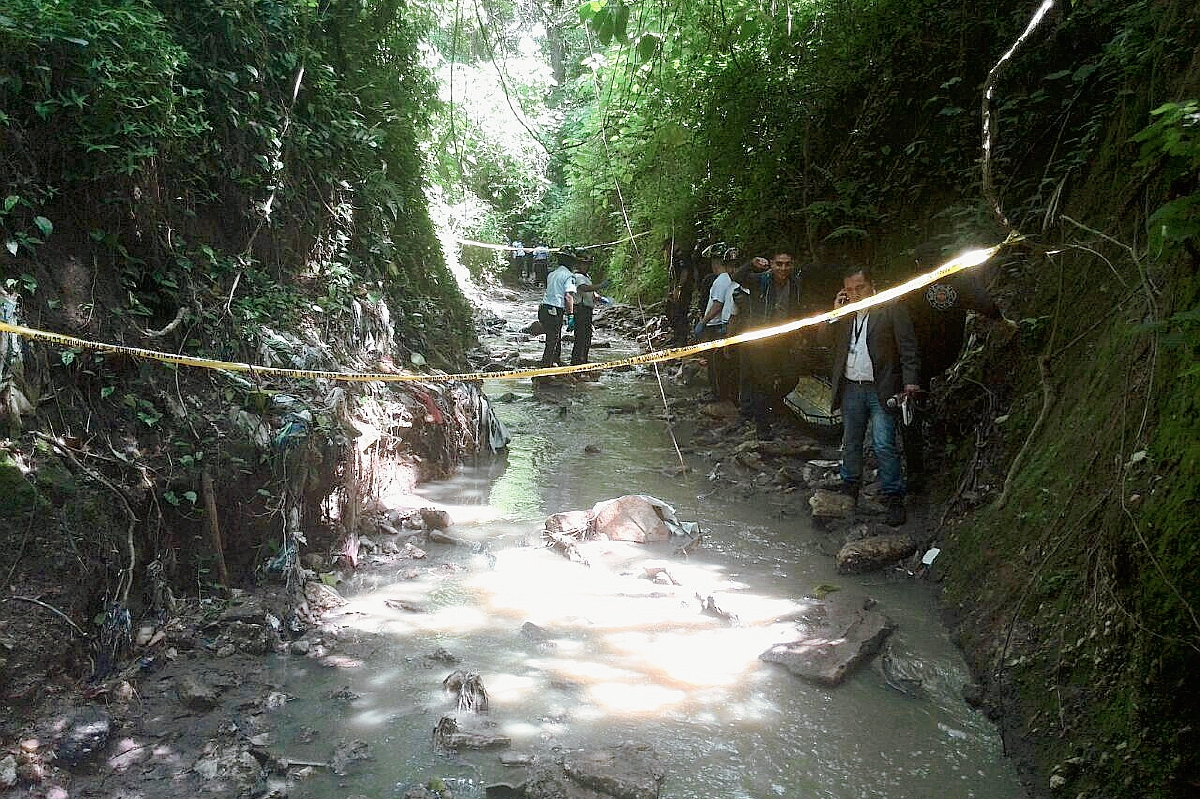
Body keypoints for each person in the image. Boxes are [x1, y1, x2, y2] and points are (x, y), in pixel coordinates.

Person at [829, 266, 920, 526]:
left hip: (882, 386)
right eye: (850, 290)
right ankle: (850, 486)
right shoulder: (845, 313)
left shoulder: (890, 308)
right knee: (851, 439)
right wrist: (835, 312)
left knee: (883, 443)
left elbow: (908, 346)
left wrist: (910, 382)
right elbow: (822, 338)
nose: (856, 294)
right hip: (851, 387)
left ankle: (893, 496)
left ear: (872, 285)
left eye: (860, 288)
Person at [735, 249, 805, 438]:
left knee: (791, 378)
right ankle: (763, 427)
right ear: (772, 264)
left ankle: (768, 407)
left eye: (787, 264)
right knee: (763, 382)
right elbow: (738, 277)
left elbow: (797, 309)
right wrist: (751, 263)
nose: (783, 268)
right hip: (760, 340)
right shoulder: (762, 280)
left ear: (793, 265)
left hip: (784, 339)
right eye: (779, 264)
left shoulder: (796, 283)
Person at [692, 245, 741, 401]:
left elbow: (718, 304)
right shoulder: (729, 281)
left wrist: (703, 322)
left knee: (716, 363)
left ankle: (719, 395)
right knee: (720, 363)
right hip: (722, 325)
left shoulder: (721, 280)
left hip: (718, 326)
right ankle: (723, 394)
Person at [538, 248, 577, 368]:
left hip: (544, 308)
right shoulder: (569, 276)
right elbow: (568, 296)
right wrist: (571, 315)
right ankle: (546, 371)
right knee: (552, 341)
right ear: (570, 262)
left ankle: (554, 362)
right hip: (554, 310)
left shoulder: (551, 274)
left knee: (554, 337)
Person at [569, 254, 606, 366]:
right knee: (581, 336)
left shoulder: (586, 276)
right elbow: (583, 288)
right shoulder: (577, 276)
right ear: (579, 264)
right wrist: (600, 286)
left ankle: (583, 358)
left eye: (587, 264)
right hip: (580, 309)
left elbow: (589, 289)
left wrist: (597, 296)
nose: (586, 266)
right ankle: (576, 361)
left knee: (587, 335)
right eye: (584, 264)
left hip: (587, 308)